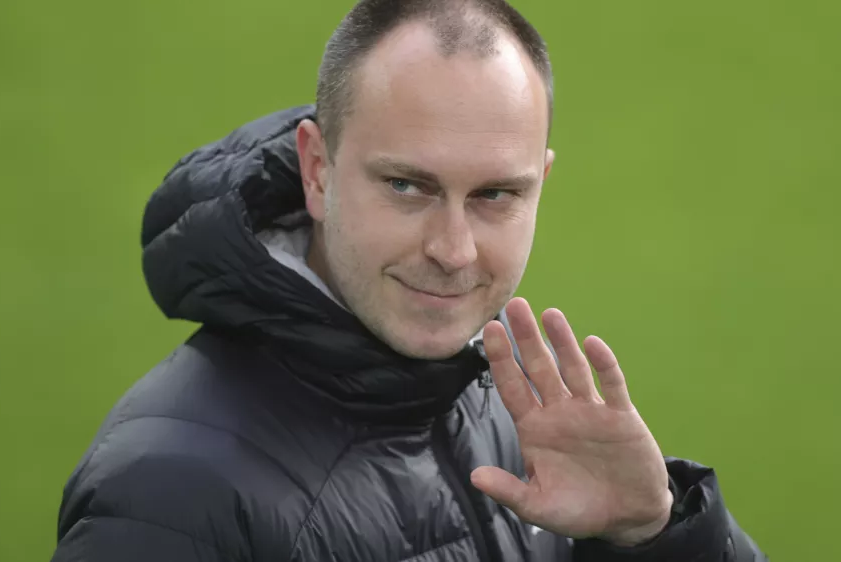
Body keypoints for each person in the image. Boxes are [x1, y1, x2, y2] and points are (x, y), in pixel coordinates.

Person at [51, 0, 767, 560]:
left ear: (539, 185)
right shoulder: (167, 493)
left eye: (496, 195)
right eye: (406, 185)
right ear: (317, 170)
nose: (454, 251)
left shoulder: (518, 402)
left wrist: (653, 536)